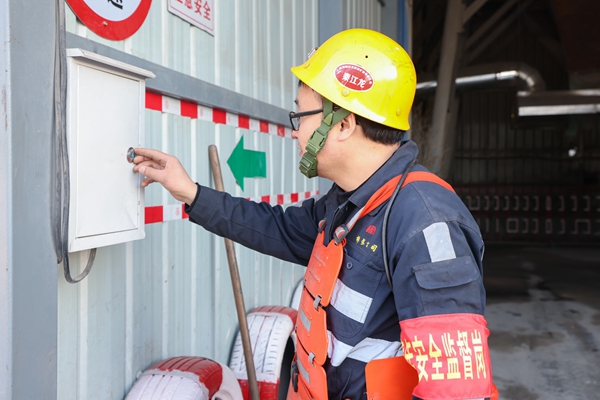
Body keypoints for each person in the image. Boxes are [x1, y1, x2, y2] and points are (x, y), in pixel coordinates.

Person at [133, 29, 494, 400]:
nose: (295, 133)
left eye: (300, 116)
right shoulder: (348, 203)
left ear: (343, 125)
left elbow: (457, 390)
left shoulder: (426, 223)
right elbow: (277, 227)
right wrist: (190, 192)